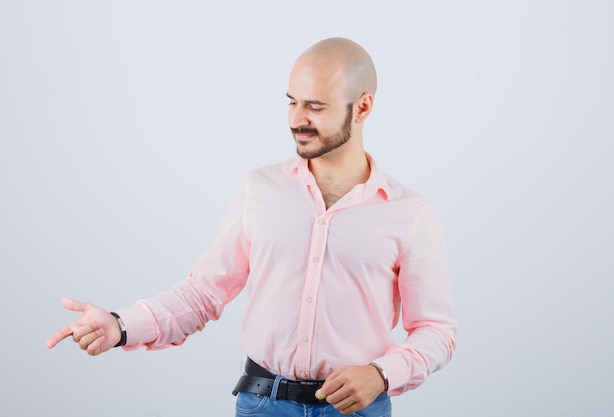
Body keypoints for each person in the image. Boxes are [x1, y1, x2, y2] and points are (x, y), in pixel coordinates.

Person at [47, 37, 457, 417]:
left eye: (315, 106)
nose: (298, 119)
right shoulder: (260, 189)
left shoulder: (411, 214)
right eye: (292, 102)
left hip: (357, 409)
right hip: (263, 403)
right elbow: (204, 292)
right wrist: (120, 326)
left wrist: (382, 374)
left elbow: (436, 331)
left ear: (363, 107)